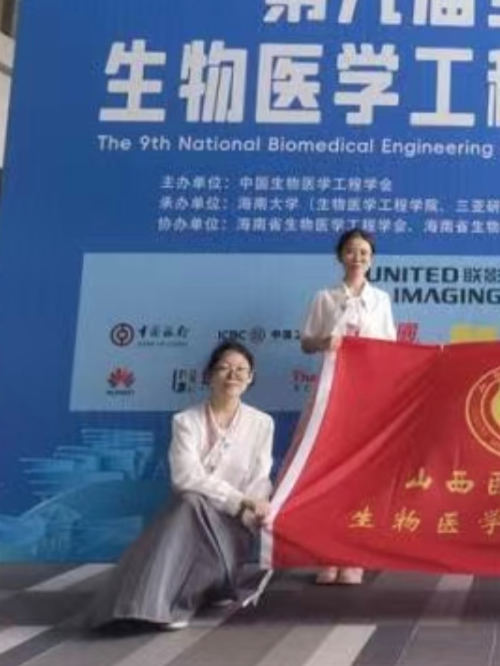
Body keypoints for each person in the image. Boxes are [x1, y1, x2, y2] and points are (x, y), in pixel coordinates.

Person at [88, 340, 274, 630]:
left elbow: (260, 479)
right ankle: (160, 606)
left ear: (251, 378)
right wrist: (239, 500)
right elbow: (185, 476)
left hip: (235, 523)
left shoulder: (262, 423)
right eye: (224, 368)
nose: (233, 375)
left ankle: (194, 592)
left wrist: (249, 510)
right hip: (194, 516)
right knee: (190, 501)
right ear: (208, 375)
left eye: (241, 370)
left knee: (191, 504)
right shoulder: (186, 421)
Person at [298, 226, 396, 585]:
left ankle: (353, 556)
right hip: (331, 393)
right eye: (352, 251)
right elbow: (306, 343)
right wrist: (328, 340)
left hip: (367, 396)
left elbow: (391, 348)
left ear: (372, 260)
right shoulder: (324, 297)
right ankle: (327, 555)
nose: (358, 258)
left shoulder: (381, 300)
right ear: (340, 256)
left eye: (364, 253)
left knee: (360, 475)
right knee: (325, 472)